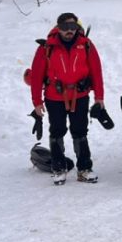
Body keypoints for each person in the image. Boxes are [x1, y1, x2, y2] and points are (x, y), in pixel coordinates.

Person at [28, 12, 106, 185]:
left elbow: (96, 71)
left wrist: (99, 97)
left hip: (80, 95)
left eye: (73, 27)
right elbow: (36, 76)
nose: (69, 31)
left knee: (80, 131)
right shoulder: (46, 47)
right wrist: (37, 102)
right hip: (54, 97)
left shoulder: (86, 45)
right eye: (65, 27)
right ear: (58, 28)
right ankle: (58, 168)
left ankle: (84, 169)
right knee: (57, 131)